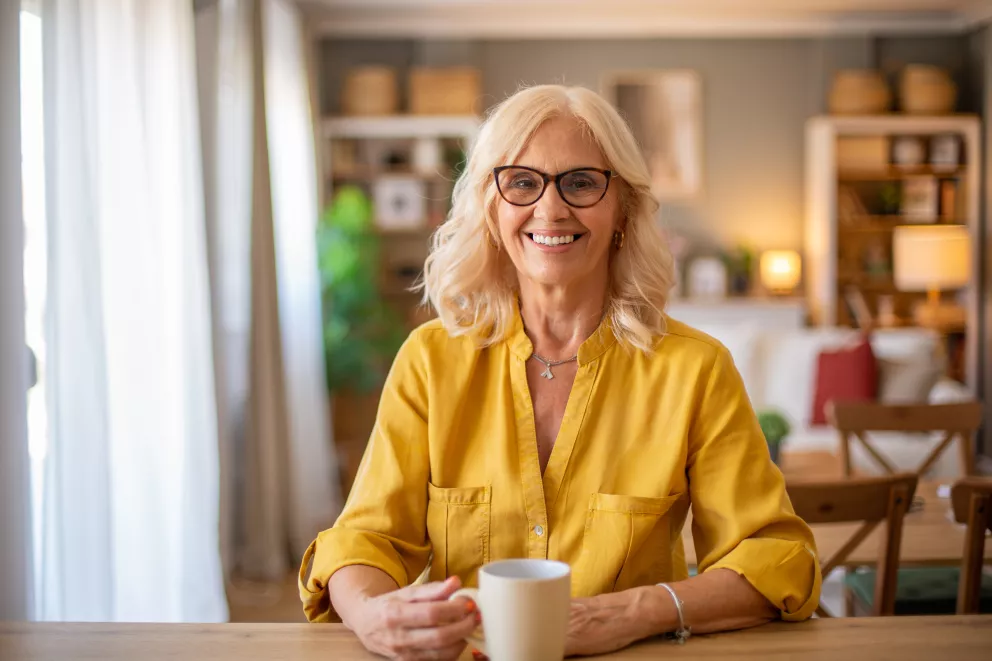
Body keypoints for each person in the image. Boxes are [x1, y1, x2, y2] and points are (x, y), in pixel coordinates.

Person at [299, 84, 821, 660]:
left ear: (621, 206)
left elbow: (775, 558)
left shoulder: (695, 369)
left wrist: (631, 612)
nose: (550, 209)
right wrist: (374, 616)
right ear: (491, 207)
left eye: (580, 182)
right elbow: (363, 540)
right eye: (522, 181)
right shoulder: (430, 361)